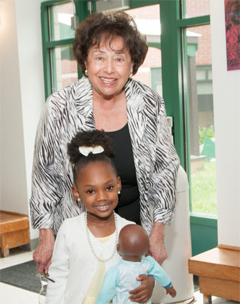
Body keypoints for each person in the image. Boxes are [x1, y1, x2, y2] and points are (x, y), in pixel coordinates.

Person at [30, 11, 180, 275]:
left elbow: (165, 170)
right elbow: (44, 177)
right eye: (99, 57)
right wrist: (45, 237)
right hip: (77, 234)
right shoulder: (59, 107)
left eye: (119, 59)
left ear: (132, 65)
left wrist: (157, 233)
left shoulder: (148, 103)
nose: (109, 69)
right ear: (85, 62)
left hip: (134, 234)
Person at [45, 130, 154, 304]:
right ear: (77, 193)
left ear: (118, 184)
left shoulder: (130, 229)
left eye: (109, 188)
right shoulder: (69, 229)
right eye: (90, 191)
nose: (102, 197)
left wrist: (150, 282)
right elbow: (58, 277)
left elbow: (145, 268)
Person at [96, 224, 177, 304]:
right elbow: (161, 275)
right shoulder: (149, 263)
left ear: (118, 248)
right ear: (147, 249)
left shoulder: (116, 271)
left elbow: (105, 293)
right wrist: (169, 287)